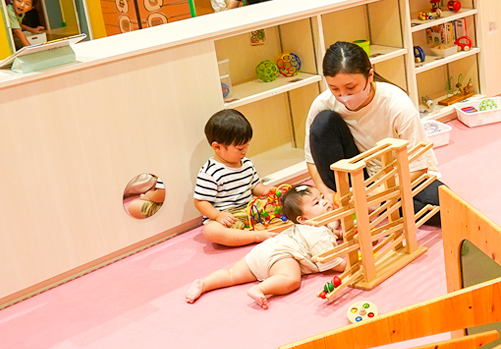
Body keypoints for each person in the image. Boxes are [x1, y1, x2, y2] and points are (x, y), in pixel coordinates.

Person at [304, 41, 444, 223]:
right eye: (334, 89)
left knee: (444, 207)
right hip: (358, 177)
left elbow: (419, 166)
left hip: (399, 177)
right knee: (323, 122)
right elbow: (312, 159)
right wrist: (327, 193)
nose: (343, 96)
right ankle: (362, 203)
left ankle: (374, 205)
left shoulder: (397, 103)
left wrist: (376, 194)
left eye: (351, 88)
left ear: (370, 75)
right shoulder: (323, 103)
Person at [184, 185, 347, 309]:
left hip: (263, 250)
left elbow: (331, 231)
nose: (325, 202)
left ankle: (204, 283)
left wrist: (340, 235)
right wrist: (350, 264)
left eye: (321, 197)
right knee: (291, 279)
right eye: (317, 203)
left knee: (232, 274)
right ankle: (261, 289)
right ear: (302, 219)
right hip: (282, 256)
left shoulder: (313, 226)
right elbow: (331, 262)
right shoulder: (317, 234)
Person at [193, 109, 273, 247]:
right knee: (211, 231)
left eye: (247, 146)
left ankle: (248, 233)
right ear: (217, 147)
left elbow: (255, 186)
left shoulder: (246, 163)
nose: (245, 151)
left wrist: (268, 191)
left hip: (250, 209)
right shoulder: (210, 172)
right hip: (228, 217)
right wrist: (217, 215)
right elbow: (200, 202)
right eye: (240, 148)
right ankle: (255, 236)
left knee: (284, 202)